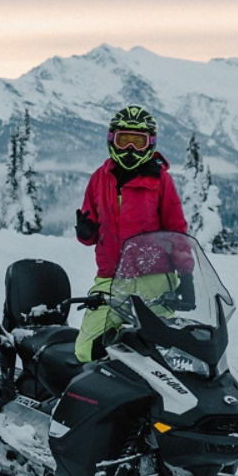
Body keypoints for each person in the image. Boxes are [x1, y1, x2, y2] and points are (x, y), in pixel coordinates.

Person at [74, 105, 188, 362]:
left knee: (160, 351)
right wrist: (85, 232)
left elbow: (177, 231)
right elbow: (88, 235)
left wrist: (187, 275)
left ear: (150, 144)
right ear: (112, 139)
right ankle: (100, 397)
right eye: (124, 140)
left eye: (138, 142)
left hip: (155, 278)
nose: (130, 149)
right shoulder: (99, 179)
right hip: (112, 279)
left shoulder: (160, 181)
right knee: (87, 349)